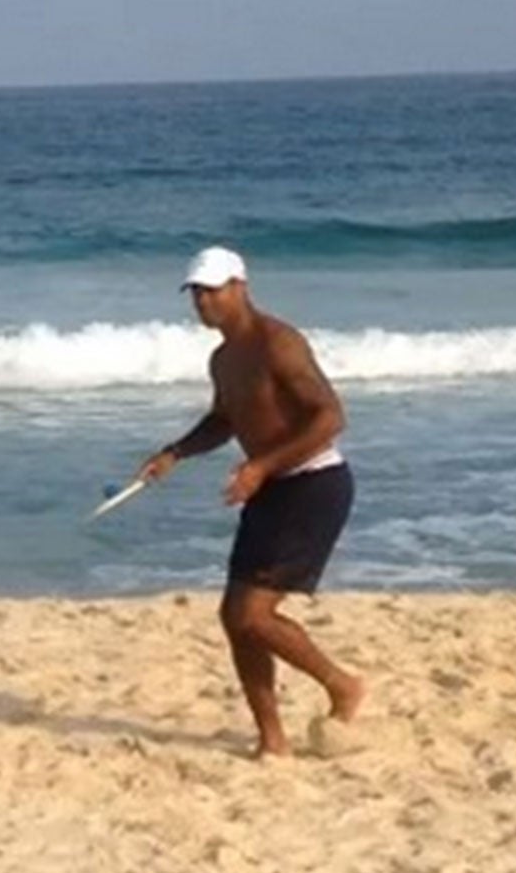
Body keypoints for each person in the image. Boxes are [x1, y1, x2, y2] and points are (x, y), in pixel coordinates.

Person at [138, 246, 365, 758]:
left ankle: (342, 684)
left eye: (212, 290)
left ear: (241, 286)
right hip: (271, 488)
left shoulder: (278, 343)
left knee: (253, 615)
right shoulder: (222, 359)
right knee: (234, 616)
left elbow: (330, 417)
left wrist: (260, 466)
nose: (202, 302)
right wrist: (175, 452)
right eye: (195, 293)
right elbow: (225, 420)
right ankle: (272, 740)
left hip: (313, 484)